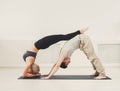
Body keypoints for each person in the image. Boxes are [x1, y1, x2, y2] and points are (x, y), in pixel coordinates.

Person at [22, 28, 88, 78]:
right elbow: (55, 64)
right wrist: (47, 73)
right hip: (42, 44)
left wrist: (34, 74)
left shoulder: (30, 61)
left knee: (65, 37)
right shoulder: (29, 59)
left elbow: (24, 75)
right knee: (64, 37)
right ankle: (79, 32)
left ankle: (79, 32)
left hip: (42, 43)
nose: (29, 71)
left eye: (37, 69)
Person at [42, 33, 107, 80]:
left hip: (83, 39)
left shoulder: (63, 53)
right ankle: (97, 71)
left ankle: (102, 74)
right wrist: (48, 73)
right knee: (90, 57)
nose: (69, 62)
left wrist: (49, 77)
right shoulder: (62, 57)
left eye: (67, 63)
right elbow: (55, 64)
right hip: (81, 42)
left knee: (93, 57)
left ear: (63, 61)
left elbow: (57, 65)